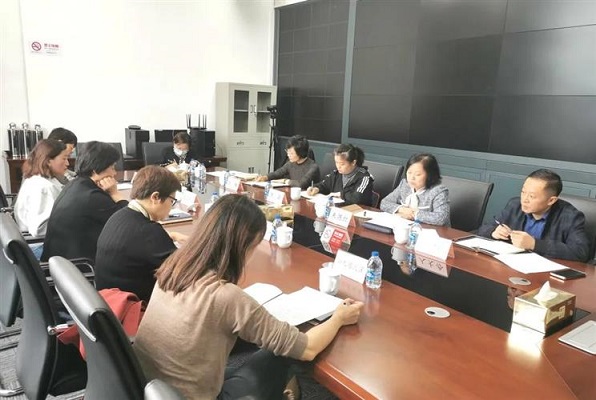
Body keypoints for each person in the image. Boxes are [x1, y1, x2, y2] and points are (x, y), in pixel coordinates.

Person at [134, 194, 363, 400]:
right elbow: (308, 349)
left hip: (150, 387)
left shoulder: (173, 268)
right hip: (195, 395)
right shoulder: (225, 296)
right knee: (278, 355)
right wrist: (339, 318)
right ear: (243, 246)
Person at [94, 166, 189, 302]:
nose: (171, 206)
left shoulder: (120, 216)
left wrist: (172, 236)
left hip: (108, 301)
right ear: (155, 197)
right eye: (171, 201)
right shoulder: (149, 231)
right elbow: (185, 271)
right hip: (135, 307)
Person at [41, 141, 128, 262]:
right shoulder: (92, 197)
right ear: (96, 170)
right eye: (112, 167)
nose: (114, 173)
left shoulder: (75, 185)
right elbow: (129, 223)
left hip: (60, 265)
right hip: (80, 266)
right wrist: (115, 193)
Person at [477, 169, 590, 262]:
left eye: (531, 196)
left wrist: (535, 244)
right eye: (523, 192)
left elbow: (581, 252)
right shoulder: (515, 205)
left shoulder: (570, 216)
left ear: (551, 200)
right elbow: (484, 228)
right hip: (513, 264)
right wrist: (494, 232)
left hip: (545, 273)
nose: (524, 199)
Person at [13, 140, 70, 258]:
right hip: (39, 247)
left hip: (35, 242)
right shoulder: (43, 187)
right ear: (48, 161)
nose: (67, 163)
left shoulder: (36, 179)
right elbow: (39, 230)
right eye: (64, 158)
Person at [380, 153, 450, 226]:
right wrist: (402, 209)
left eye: (417, 174)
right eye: (409, 172)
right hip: (406, 227)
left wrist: (414, 214)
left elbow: (441, 218)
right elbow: (384, 203)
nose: (412, 178)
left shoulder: (438, 191)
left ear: (430, 175)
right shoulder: (404, 184)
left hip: (433, 231)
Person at [306, 144, 374, 206]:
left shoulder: (364, 177)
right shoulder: (336, 174)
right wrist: (316, 188)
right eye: (336, 162)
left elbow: (357, 198)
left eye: (342, 164)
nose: (338, 166)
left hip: (357, 212)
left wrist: (341, 194)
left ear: (353, 162)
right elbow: (324, 185)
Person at [255, 135, 320, 189]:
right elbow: (278, 173)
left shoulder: (313, 167)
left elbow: (301, 184)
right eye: (287, 152)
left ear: (301, 153)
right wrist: (265, 177)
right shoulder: (291, 163)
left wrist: (285, 181)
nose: (288, 155)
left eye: (291, 153)